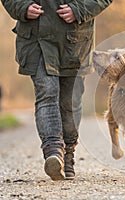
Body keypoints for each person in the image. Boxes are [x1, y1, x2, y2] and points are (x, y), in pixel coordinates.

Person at [1, 0, 113, 180]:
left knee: (70, 102)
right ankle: (53, 151)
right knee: (47, 93)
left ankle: (68, 154)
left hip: (74, 40)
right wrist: (23, 7)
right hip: (36, 38)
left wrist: (78, 9)